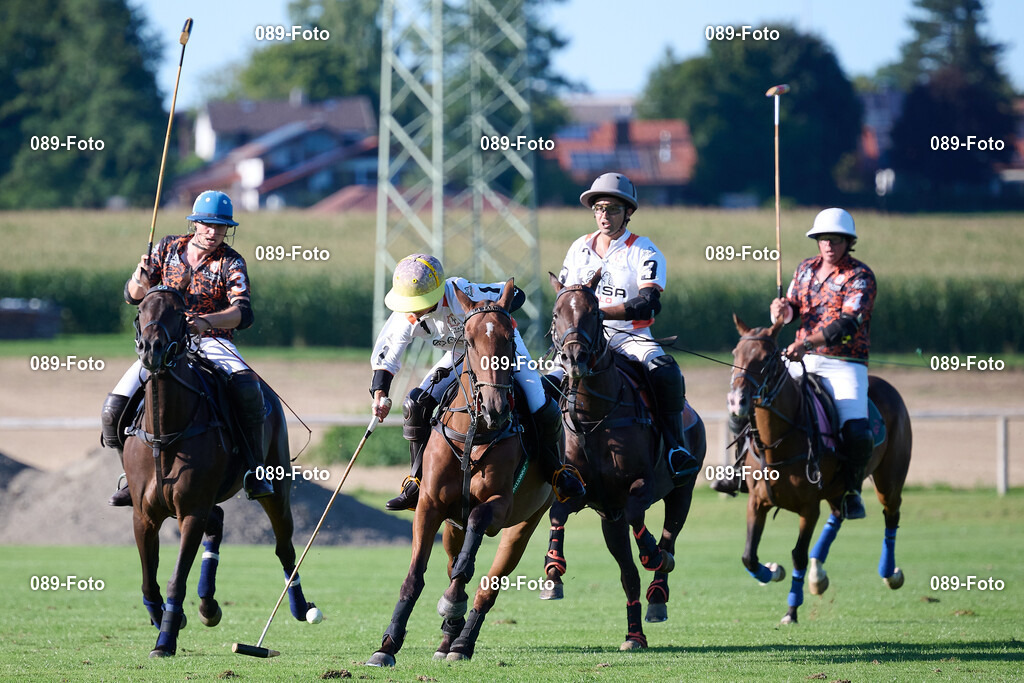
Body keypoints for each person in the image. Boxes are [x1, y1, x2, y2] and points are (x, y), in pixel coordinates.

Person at [370, 253, 586, 511]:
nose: (414, 308)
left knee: (538, 400)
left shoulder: (461, 290)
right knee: (415, 404)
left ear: (439, 291)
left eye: (421, 301)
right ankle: (416, 482)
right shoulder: (406, 312)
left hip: (500, 348)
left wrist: (490, 313)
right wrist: (380, 394)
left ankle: (557, 472)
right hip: (461, 354)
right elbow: (387, 355)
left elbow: (516, 295)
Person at [101, 190, 273, 506]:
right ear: (195, 224)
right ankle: (130, 474)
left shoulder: (231, 261)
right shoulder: (167, 248)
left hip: (213, 340)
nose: (213, 232)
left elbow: (243, 312)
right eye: (208, 224)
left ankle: (255, 469)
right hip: (166, 345)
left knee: (249, 389)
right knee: (112, 409)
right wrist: (139, 279)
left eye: (220, 227)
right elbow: (133, 296)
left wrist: (207, 322)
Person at [712, 208, 876, 520]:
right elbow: (791, 311)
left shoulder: (860, 276)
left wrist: (808, 342)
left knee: (856, 430)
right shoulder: (805, 270)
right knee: (748, 402)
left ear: (848, 242)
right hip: (801, 358)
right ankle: (736, 470)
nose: (829, 244)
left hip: (844, 363)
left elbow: (848, 323)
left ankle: (850, 490)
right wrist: (782, 311)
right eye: (824, 239)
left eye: (836, 239)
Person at [556, 172, 699, 481]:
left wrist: (598, 313)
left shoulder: (644, 251)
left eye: (612, 209)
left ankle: (675, 448)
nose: (604, 215)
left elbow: (647, 302)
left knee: (666, 370)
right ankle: (544, 454)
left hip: (631, 336)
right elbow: (566, 298)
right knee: (546, 382)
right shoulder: (579, 247)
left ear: (628, 213)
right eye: (599, 209)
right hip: (583, 339)